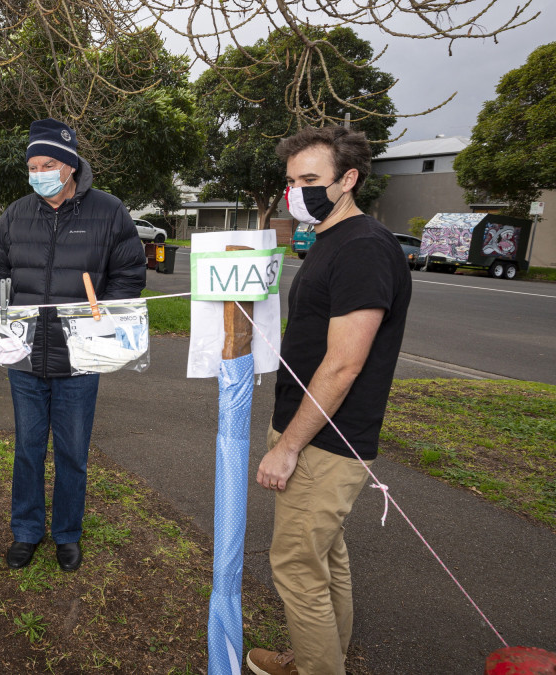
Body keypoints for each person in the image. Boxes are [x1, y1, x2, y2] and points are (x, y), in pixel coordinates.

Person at [246, 127, 412, 675]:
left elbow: (344, 362)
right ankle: (322, 655)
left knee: (295, 566)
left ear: (348, 180)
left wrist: (288, 446)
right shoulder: (330, 238)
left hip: (324, 441)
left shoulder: (364, 247)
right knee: (324, 556)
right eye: (292, 180)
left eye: (311, 179)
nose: (297, 191)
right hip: (312, 430)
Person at [0, 118, 146, 572]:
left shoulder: (109, 212)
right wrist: (4, 320)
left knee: (73, 451)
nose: (39, 173)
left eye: (48, 163)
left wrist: (98, 324)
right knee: (27, 448)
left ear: (71, 166)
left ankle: (67, 534)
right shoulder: (16, 214)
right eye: (33, 165)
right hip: (25, 357)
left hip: (80, 359)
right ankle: (27, 531)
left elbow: (130, 275)